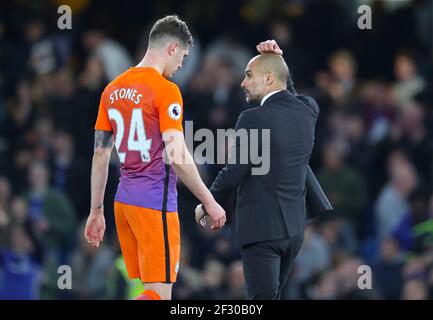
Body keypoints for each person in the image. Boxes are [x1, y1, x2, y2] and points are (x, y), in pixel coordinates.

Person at [84, 15, 226, 301]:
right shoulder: (166, 90)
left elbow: (100, 154)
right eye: (183, 56)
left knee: (148, 292)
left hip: (122, 203)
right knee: (159, 297)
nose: (182, 65)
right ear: (172, 48)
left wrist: (96, 211)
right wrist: (209, 201)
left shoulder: (112, 90)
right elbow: (175, 153)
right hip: (153, 204)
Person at [196, 40, 320, 299]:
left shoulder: (252, 117)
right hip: (295, 230)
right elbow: (292, 97)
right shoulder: (308, 111)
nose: (243, 82)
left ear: (269, 78)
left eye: (249, 75)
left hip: (262, 229)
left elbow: (235, 170)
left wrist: (207, 201)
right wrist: (279, 61)